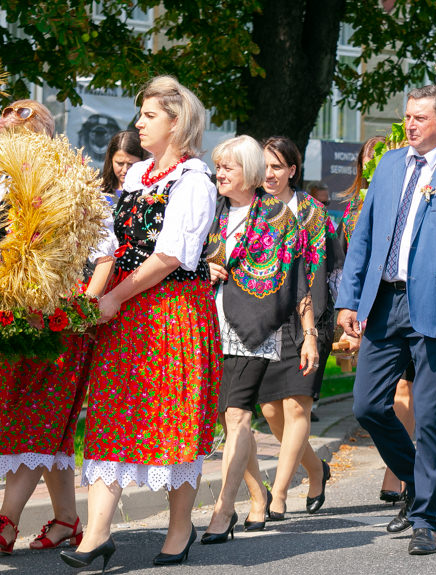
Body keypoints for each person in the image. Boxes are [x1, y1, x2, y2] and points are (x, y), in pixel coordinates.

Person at [61, 76, 221, 570]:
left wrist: (115, 298)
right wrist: (90, 294)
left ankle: (178, 530)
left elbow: (172, 255)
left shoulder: (194, 180)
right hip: (126, 312)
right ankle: (97, 535)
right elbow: (109, 247)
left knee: (172, 420)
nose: (139, 124)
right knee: (110, 418)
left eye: (149, 116)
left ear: (177, 122)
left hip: (173, 314)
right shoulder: (137, 176)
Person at [336, 85, 436, 555]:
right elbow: (362, 236)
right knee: (367, 406)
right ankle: (419, 481)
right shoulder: (388, 166)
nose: (410, 124)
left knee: (429, 417)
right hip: (383, 303)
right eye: (407, 116)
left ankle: (424, 517)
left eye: (420, 118)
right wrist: (349, 299)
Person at [0, 101, 114, 555]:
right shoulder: (2, 181)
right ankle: (67, 520)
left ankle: (5, 523)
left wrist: (81, 309)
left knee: (38, 422)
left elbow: (106, 252)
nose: (9, 139)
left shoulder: (70, 180)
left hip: (57, 318)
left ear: (43, 137)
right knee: (40, 428)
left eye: (18, 133)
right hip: (10, 315)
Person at [200, 135, 315, 543]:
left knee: (237, 416)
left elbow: (298, 279)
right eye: (218, 165)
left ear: (248, 172)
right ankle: (256, 495)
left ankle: (222, 510)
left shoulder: (279, 216)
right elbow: (189, 257)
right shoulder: (210, 211)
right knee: (228, 419)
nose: (220, 172)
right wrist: (204, 269)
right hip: (208, 324)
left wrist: (310, 336)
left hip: (255, 327)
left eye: (228, 166)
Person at [257, 136, 341, 520]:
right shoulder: (251, 209)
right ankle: (315, 468)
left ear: (292, 170)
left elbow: (335, 268)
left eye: (277, 166)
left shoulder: (316, 214)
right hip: (263, 320)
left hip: (312, 321)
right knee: (271, 411)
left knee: (296, 405)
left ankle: (277, 495)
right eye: (264, 166)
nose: (269, 173)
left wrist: (343, 320)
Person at [338, 135, 415, 503]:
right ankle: (409, 468)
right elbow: (350, 262)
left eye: (380, 158)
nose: (374, 164)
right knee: (371, 401)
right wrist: (350, 307)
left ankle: (397, 474)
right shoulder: (355, 208)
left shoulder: (411, 198)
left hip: (409, 304)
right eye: (369, 159)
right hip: (372, 308)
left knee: (404, 389)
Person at [100, 130, 146, 205]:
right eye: (120, 163)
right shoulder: (98, 193)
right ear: (111, 161)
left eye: (131, 164)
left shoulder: (149, 193)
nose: (125, 170)